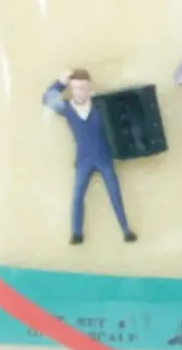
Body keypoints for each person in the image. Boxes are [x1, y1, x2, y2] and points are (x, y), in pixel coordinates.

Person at [42, 68, 137, 245]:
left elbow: (123, 116)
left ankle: (126, 230)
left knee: (115, 194)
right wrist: (60, 82)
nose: (79, 92)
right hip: (83, 160)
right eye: (75, 88)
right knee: (77, 196)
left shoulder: (101, 105)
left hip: (104, 157)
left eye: (83, 88)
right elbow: (47, 99)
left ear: (89, 88)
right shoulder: (66, 108)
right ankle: (76, 233)